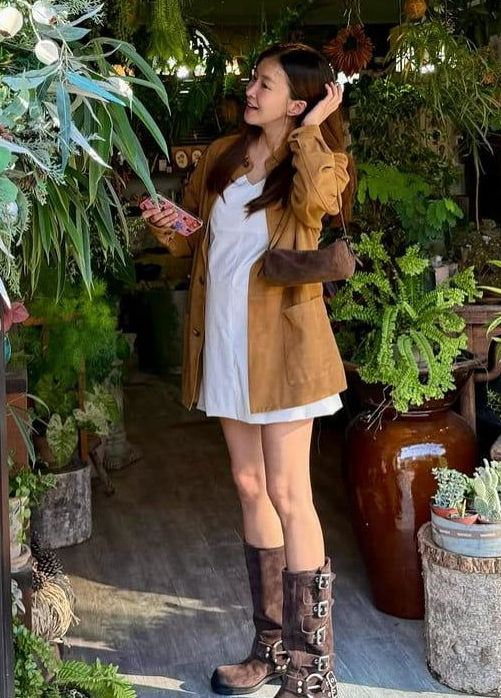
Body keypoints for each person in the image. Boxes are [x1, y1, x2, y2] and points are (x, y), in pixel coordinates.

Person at [142, 43, 355, 698]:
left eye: (265, 84)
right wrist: (167, 224)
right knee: (247, 482)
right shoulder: (223, 154)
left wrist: (312, 130)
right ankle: (270, 644)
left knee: (290, 493)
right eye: (253, 79)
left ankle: (311, 667)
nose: (251, 90)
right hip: (226, 344)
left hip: (286, 349)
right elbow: (198, 239)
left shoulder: (315, 160)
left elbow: (318, 205)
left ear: (297, 101)